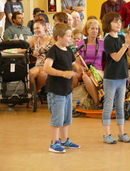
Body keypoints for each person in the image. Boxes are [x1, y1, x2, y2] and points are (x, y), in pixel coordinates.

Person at [44, 23, 80, 153]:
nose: (70, 39)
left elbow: (73, 64)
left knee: (66, 118)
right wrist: (62, 73)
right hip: (56, 91)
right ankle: (54, 143)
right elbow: (46, 68)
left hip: (67, 90)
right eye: (68, 36)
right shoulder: (53, 50)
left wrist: (79, 68)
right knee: (57, 119)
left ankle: (64, 140)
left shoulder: (69, 50)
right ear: (59, 37)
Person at [102, 12, 130, 144]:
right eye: (115, 22)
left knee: (120, 105)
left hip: (122, 76)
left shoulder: (122, 38)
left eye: (119, 21)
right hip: (111, 77)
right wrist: (125, 45)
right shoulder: (108, 39)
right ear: (108, 24)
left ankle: (121, 133)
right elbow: (115, 57)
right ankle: (107, 134)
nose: (118, 24)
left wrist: (129, 42)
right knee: (109, 105)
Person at [73, 19, 104, 108]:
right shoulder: (80, 43)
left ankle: (97, 103)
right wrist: (80, 68)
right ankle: (73, 102)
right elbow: (77, 62)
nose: (95, 31)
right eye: (92, 28)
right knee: (73, 76)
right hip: (83, 69)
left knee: (86, 77)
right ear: (87, 30)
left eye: (96, 29)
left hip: (97, 70)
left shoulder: (102, 43)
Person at [28, 19, 55, 94]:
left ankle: (36, 92)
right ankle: (32, 95)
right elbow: (24, 47)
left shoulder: (52, 39)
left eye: (37, 28)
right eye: (34, 29)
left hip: (49, 65)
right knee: (31, 73)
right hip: (38, 64)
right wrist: (32, 52)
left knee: (43, 75)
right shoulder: (34, 39)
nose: (35, 30)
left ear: (44, 28)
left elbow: (56, 52)